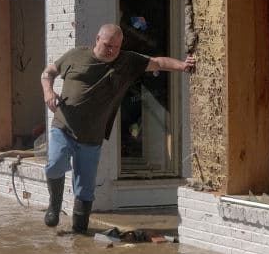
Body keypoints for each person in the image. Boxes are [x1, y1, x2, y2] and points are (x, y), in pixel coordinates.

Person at [39, 24, 196, 233]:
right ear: (97, 39)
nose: (112, 50)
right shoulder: (76, 55)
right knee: (55, 164)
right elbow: (48, 72)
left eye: (116, 46)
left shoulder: (126, 61)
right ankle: (54, 206)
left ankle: (80, 232)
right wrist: (48, 92)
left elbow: (157, 62)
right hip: (64, 127)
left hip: (92, 137)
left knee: (85, 188)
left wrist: (183, 65)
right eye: (107, 45)